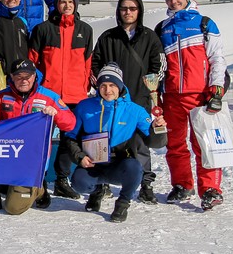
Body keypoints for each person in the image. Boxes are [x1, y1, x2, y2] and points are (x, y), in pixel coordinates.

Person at [60, 63, 168, 223]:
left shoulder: (135, 110)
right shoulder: (85, 107)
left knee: (135, 169)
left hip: (121, 164)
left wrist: (158, 129)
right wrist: (80, 157)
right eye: (103, 85)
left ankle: (123, 203)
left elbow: (155, 142)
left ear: (120, 86)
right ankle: (97, 191)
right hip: (94, 164)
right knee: (78, 182)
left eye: (112, 85)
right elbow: (70, 136)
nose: (107, 90)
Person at [155, 0, 228, 210]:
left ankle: (210, 189)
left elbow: (217, 58)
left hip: (199, 95)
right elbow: (158, 65)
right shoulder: (162, 28)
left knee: (203, 144)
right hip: (172, 96)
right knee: (175, 144)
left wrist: (216, 89)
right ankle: (181, 185)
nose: (174, 1)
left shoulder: (204, 23)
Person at [0, 59, 76, 214]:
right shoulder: (2, 96)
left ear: (34, 76)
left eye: (27, 76)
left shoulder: (49, 97)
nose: (23, 80)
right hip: (7, 152)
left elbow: (70, 124)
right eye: (18, 76)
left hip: (32, 159)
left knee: (13, 208)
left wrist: (56, 114)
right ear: (11, 77)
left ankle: (39, 190)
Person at [92, 0, 165, 203]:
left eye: (132, 9)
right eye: (124, 8)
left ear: (139, 11)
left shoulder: (150, 37)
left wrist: (152, 85)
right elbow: (96, 63)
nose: (128, 12)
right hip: (111, 101)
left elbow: (158, 65)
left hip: (140, 99)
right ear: (118, 11)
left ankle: (145, 184)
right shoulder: (108, 37)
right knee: (105, 139)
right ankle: (101, 182)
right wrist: (103, 85)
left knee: (140, 142)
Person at [28, 0, 94, 200]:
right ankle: (39, 181)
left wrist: (84, 88)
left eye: (70, 2)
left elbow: (87, 63)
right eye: (62, 2)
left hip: (75, 96)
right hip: (48, 94)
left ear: (75, 5)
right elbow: (32, 62)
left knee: (69, 139)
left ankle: (62, 180)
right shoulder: (43, 29)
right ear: (56, 5)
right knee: (41, 139)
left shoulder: (85, 30)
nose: (66, 6)